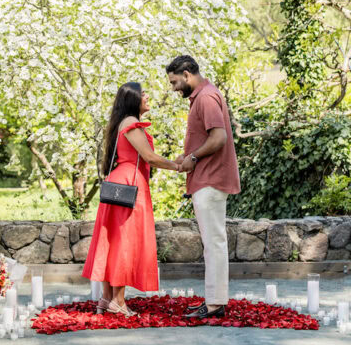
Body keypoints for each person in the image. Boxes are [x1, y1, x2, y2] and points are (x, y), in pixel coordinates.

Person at [82, 81, 181, 316]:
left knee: (113, 241)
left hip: (118, 181)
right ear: (133, 99)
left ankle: (107, 298)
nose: (147, 97)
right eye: (143, 93)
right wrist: (178, 166)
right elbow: (149, 157)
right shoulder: (131, 124)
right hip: (129, 183)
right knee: (124, 243)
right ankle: (118, 301)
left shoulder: (121, 123)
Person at [166, 54, 240, 320]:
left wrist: (193, 158)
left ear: (187, 74)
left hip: (210, 179)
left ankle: (216, 304)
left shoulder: (206, 97)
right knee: (212, 243)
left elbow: (218, 137)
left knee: (214, 243)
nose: (174, 88)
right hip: (205, 178)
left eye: (175, 82)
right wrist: (187, 157)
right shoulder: (203, 96)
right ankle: (213, 301)